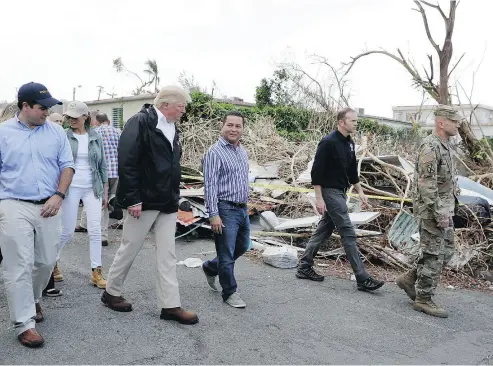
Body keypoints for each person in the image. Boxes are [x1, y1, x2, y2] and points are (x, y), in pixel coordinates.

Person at [101, 85, 198, 325]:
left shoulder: (172, 126)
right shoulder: (140, 122)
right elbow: (128, 161)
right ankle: (111, 292)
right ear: (165, 104)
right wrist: (132, 198)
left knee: (168, 254)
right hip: (142, 200)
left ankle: (170, 305)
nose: (183, 111)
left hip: (166, 200)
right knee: (130, 247)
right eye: (180, 106)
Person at [0, 82, 75, 347]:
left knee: (45, 262)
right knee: (17, 264)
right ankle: (24, 323)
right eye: (42, 108)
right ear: (25, 106)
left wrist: (59, 195)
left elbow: (67, 166)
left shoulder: (56, 133)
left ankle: (32, 300)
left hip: (50, 204)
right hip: (13, 203)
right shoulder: (3, 133)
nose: (47, 112)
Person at [295, 107, 384, 292]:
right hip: (330, 191)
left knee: (324, 230)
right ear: (341, 122)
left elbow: (352, 170)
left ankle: (304, 266)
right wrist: (319, 198)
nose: (356, 123)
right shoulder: (328, 142)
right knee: (347, 231)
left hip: (341, 191)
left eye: (356, 120)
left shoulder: (350, 143)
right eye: (353, 120)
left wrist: (360, 191)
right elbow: (316, 172)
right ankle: (362, 277)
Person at [395, 105, 461, 318]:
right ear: (441, 122)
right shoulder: (430, 146)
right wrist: (439, 212)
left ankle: (409, 278)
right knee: (433, 253)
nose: (458, 124)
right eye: (454, 121)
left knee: (446, 250)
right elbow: (426, 184)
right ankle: (423, 299)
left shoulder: (446, 145)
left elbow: (447, 180)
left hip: (445, 209)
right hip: (432, 210)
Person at [56, 101, 108, 289]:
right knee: (67, 230)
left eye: (75, 117)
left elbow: (102, 164)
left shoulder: (96, 137)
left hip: (91, 187)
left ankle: (96, 270)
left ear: (85, 117)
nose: (71, 120)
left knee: (95, 230)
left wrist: (104, 190)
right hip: (70, 187)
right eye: (69, 117)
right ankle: (52, 262)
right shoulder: (63, 136)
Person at [201, 111, 250, 308]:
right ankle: (229, 292)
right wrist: (213, 214)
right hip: (225, 209)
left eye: (238, 126)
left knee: (243, 246)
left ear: (242, 129)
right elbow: (210, 185)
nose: (233, 129)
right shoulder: (214, 153)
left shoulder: (242, 151)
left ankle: (211, 267)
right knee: (227, 253)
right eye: (230, 125)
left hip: (242, 209)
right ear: (222, 127)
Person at [76, 112, 121, 246]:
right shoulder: (118, 132)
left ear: (96, 121)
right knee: (111, 201)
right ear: (108, 121)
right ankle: (87, 226)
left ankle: (102, 235)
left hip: (100, 174)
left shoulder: (93, 133)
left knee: (101, 204)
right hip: (116, 172)